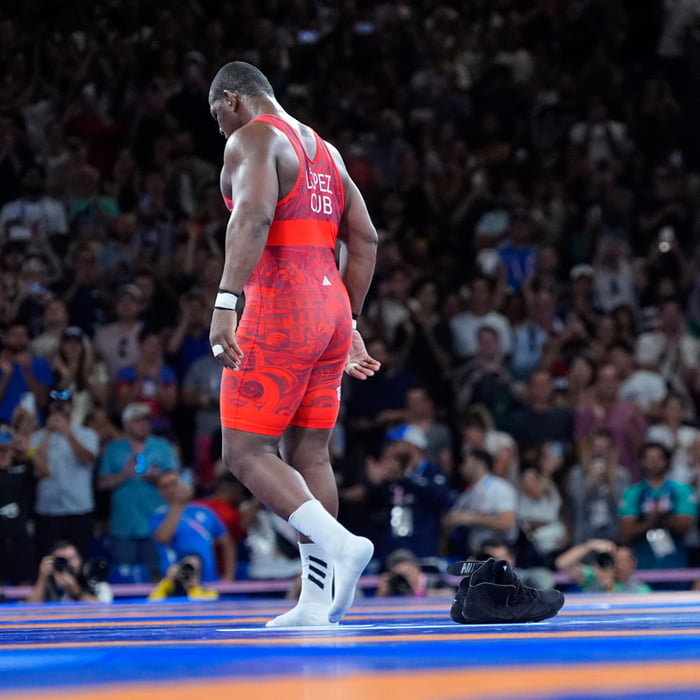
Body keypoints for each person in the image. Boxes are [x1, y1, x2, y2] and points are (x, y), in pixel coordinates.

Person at [207, 61, 380, 627]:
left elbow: (252, 217)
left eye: (217, 117)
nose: (220, 131)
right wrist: (350, 320)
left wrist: (226, 301)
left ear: (233, 99)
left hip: (279, 308)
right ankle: (314, 602)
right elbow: (366, 237)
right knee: (307, 454)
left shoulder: (253, 136)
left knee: (244, 452)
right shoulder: (325, 151)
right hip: (329, 311)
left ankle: (341, 544)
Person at [97, 402, 180, 579]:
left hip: (156, 525)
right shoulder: (113, 448)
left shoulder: (162, 446)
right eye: (137, 421)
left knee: (158, 575)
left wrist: (156, 478)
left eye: (146, 421)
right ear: (126, 424)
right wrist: (124, 475)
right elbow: (101, 483)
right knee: (125, 576)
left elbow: (174, 478)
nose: (144, 425)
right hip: (123, 526)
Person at [30, 388, 100, 562]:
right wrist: (47, 432)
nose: (60, 408)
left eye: (65, 404)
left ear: (72, 406)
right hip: (48, 510)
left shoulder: (88, 434)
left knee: (81, 560)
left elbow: (86, 459)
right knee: (47, 561)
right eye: (56, 404)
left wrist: (68, 433)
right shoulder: (36, 437)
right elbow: (38, 469)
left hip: (79, 509)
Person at [618, 441, 697, 581]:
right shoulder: (633, 493)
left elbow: (685, 525)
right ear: (641, 462)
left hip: (676, 563)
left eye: (658, 458)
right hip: (642, 562)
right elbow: (627, 530)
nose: (653, 463)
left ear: (667, 461)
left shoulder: (681, 490)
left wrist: (662, 517)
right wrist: (649, 522)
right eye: (648, 459)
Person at [150, 470, 235, 583]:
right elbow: (163, 538)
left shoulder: (206, 512)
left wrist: (228, 577)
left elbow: (227, 544)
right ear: (160, 492)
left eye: (174, 483)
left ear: (183, 483)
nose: (171, 489)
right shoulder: (158, 516)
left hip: (209, 582)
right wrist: (177, 505)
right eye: (165, 487)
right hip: (175, 583)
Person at [27, 539, 113, 604]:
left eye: (72, 558)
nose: (69, 565)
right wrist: (42, 577)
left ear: (80, 559)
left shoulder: (95, 582)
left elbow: (104, 610)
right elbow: (30, 612)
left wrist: (77, 591)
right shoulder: (47, 584)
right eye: (62, 560)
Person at [555, 539, 652, 593]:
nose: (618, 565)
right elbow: (562, 564)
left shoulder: (640, 590)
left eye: (623, 561)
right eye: (616, 560)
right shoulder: (593, 576)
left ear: (633, 563)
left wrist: (609, 586)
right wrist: (590, 545)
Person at [147, 553, 219, 602]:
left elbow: (199, 607)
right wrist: (167, 581)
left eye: (193, 570)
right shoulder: (168, 591)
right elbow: (152, 601)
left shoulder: (210, 593)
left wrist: (193, 588)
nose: (189, 573)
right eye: (186, 568)